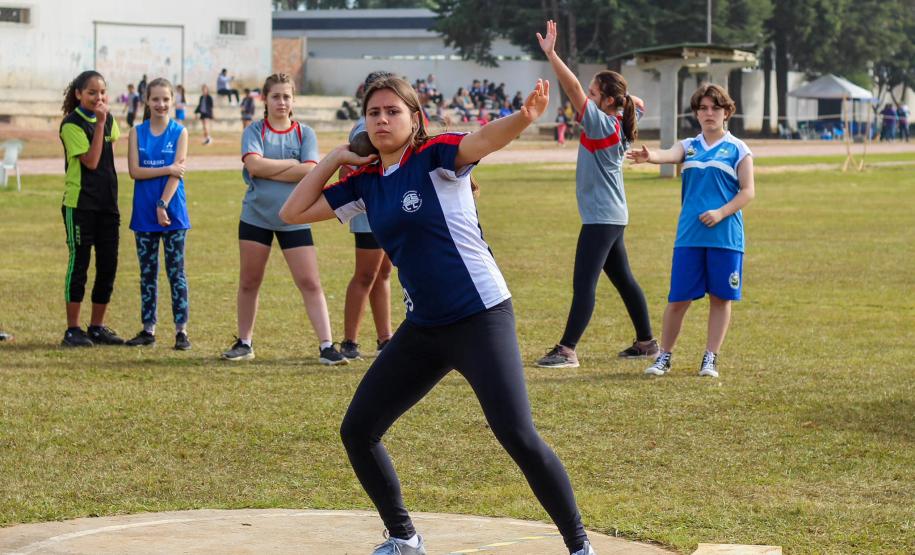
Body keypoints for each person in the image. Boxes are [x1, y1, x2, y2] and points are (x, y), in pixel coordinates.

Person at [279, 75, 597, 555]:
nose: (382, 120)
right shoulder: (364, 183)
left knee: (517, 434)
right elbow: (292, 212)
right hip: (425, 328)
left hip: (480, 316)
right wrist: (335, 158)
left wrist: (524, 117)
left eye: (393, 111)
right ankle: (405, 539)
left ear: (415, 118)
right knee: (358, 430)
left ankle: (579, 546)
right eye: (373, 113)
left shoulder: (435, 157)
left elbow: (483, 139)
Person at [534, 20, 657, 369]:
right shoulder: (621, 119)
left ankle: (567, 350)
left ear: (607, 100)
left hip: (602, 218)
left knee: (584, 284)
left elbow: (572, 86)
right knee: (625, 281)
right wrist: (622, 96)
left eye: (593, 93)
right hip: (612, 215)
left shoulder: (603, 124)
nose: (586, 97)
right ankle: (647, 343)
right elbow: (638, 101)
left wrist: (552, 55)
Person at [628, 84, 755, 379]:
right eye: (703, 108)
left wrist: (721, 212)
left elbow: (748, 191)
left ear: (726, 112)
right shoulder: (689, 145)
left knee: (720, 299)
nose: (709, 113)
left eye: (715, 108)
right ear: (696, 113)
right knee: (678, 299)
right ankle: (664, 356)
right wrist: (651, 156)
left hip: (726, 238)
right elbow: (668, 154)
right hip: (689, 237)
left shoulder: (739, 149)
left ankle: (710, 358)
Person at [221, 73, 346, 365]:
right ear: (265, 99)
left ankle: (327, 346)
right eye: (275, 96)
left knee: (309, 282)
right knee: (250, 281)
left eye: (286, 96)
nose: (281, 101)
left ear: (293, 100)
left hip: (295, 217)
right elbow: (254, 166)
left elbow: (310, 170)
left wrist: (273, 168)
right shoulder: (254, 131)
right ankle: (244, 343)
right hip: (256, 216)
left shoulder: (305, 133)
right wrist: (291, 164)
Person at [58, 70, 125, 347]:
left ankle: (97, 327)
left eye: (102, 92)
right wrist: (99, 125)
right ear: (78, 94)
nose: (98, 97)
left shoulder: (109, 120)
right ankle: (73, 330)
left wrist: (103, 122)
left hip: (107, 204)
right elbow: (92, 161)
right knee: (80, 264)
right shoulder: (71, 124)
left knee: (108, 265)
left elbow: (110, 153)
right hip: (80, 205)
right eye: (91, 92)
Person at [124, 78, 191, 350]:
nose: (161, 104)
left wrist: (163, 204)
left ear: (172, 101)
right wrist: (167, 168)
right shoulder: (136, 133)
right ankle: (148, 329)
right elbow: (135, 172)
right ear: (147, 101)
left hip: (173, 213)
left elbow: (178, 174)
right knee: (147, 274)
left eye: (166, 99)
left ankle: (181, 331)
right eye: (155, 99)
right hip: (143, 214)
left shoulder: (180, 132)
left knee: (176, 273)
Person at [338, 71, 395, 361]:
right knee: (365, 275)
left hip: (388, 206)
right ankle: (349, 341)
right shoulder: (365, 126)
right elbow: (352, 162)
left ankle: (385, 338)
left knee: (382, 273)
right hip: (369, 209)